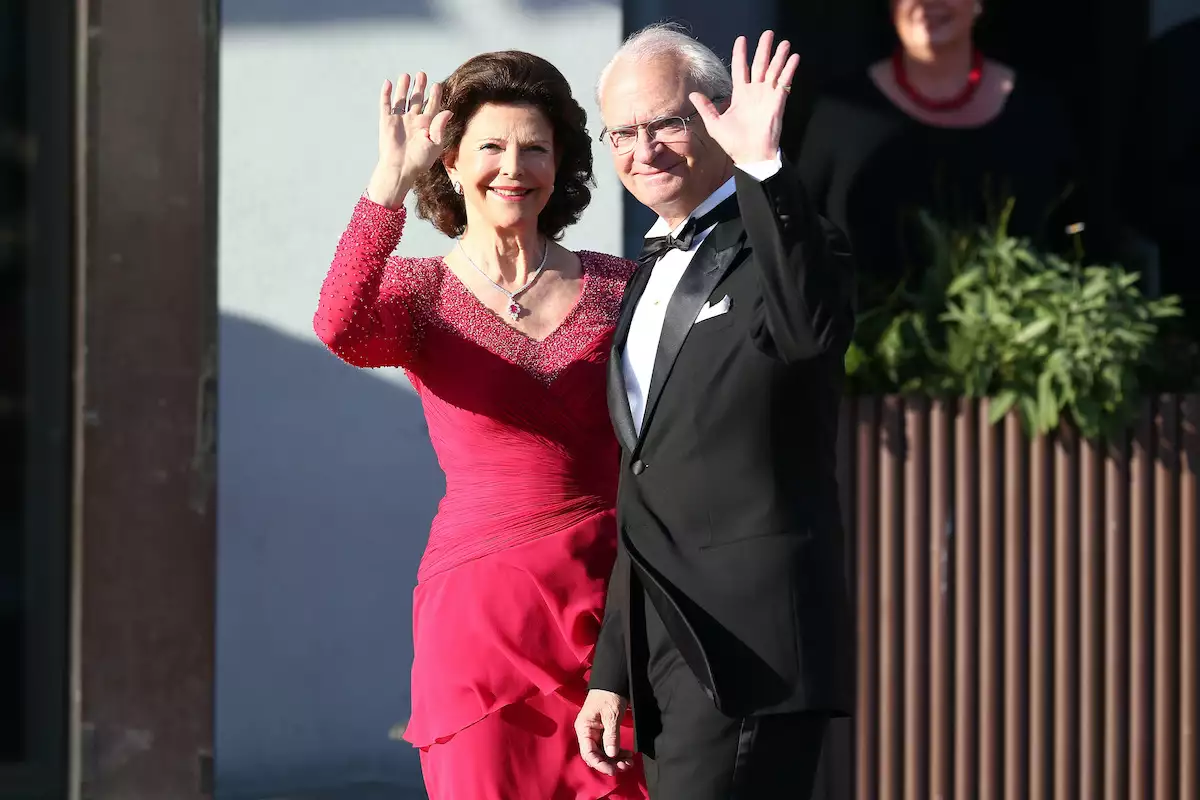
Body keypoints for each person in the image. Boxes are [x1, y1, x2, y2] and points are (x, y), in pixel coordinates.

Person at [313, 51, 647, 800]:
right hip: (478, 616)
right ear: (453, 163)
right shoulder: (419, 292)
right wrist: (388, 183)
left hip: (609, 606)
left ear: (560, 165)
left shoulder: (623, 286)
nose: (513, 167)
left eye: (535, 147)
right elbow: (340, 327)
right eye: (491, 147)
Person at [575, 25, 856, 799]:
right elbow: (648, 478)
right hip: (667, 649)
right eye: (623, 133)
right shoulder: (647, 270)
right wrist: (614, 674)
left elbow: (810, 331)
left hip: (750, 649)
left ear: (719, 116)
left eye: (667, 122)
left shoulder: (787, 243)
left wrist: (766, 166)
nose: (644, 150)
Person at [791, 0, 1084, 306]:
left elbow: (1076, 231)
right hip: (865, 343)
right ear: (891, 8)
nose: (927, 3)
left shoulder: (1037, 111)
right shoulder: (840, 113)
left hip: (1015, 342)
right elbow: (800, 239)